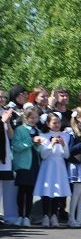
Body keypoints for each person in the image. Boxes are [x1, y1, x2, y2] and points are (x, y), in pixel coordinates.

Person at [34, 113, 71, 227]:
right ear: (48, 124)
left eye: (58, 122)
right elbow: (44, 155)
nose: (57, 125)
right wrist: (51, 144)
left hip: (59, 165)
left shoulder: (66, 136)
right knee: (47, 190)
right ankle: (45, 216)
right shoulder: (43, 136)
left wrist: (64, 145)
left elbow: (66, 155)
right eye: (54, 123)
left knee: (57, 191)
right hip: (48, 165)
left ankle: (54, 215)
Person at [12, 107, 42, 226]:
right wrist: (31, 141)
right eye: (31, 117)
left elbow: (38, 148)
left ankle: (27, 217)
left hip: (34, 163)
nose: (34, 120)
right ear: (25, 117)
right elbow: (16, 146)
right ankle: (20, 215)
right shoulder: (20, 129)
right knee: (22, 190)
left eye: (36, 117)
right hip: (23, 163)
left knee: (30, 191)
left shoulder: (37, 130)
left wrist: (38, 144)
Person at [1, 96, 17, 226]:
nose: (2, 99)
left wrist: (6, 123)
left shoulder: (4, 112)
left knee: (4, 187)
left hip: (5, 155)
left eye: (3, 97)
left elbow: (10, 135)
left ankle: (8, 215)